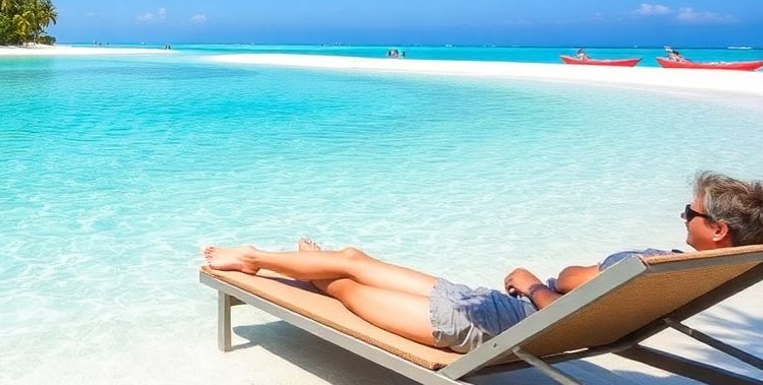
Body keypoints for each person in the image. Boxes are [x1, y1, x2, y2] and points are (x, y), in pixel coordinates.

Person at [202, 171, 763, 353]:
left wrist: (530, 284)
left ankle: (275, 263)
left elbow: (572, 290)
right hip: (490, 307)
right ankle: (264, 258)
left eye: (688, 210)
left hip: (485, 323)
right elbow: (587, 303)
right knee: (350, 259)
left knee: (344, 283)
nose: (681, 215)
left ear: (715, 229)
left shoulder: (654, 262)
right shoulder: (691, 269)